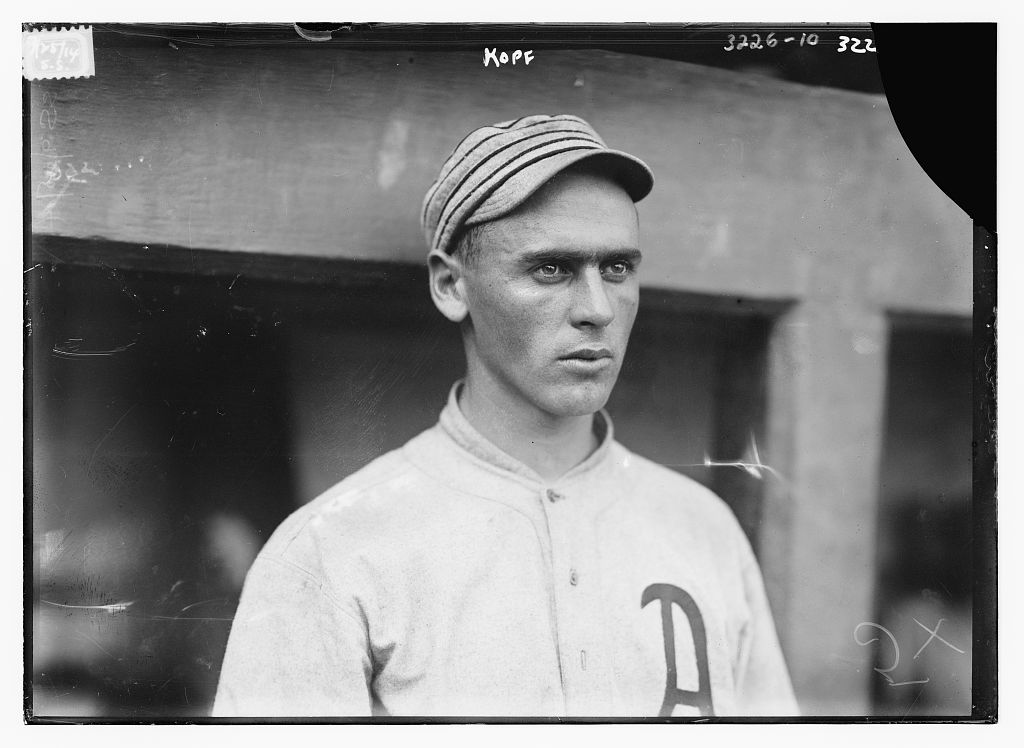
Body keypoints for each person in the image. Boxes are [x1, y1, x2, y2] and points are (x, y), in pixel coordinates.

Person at [212, 114, 797, 718]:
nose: (597, 309)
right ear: (450, 285)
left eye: (617, 269)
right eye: (552, 269)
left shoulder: (704, 530)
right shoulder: (330, 553)